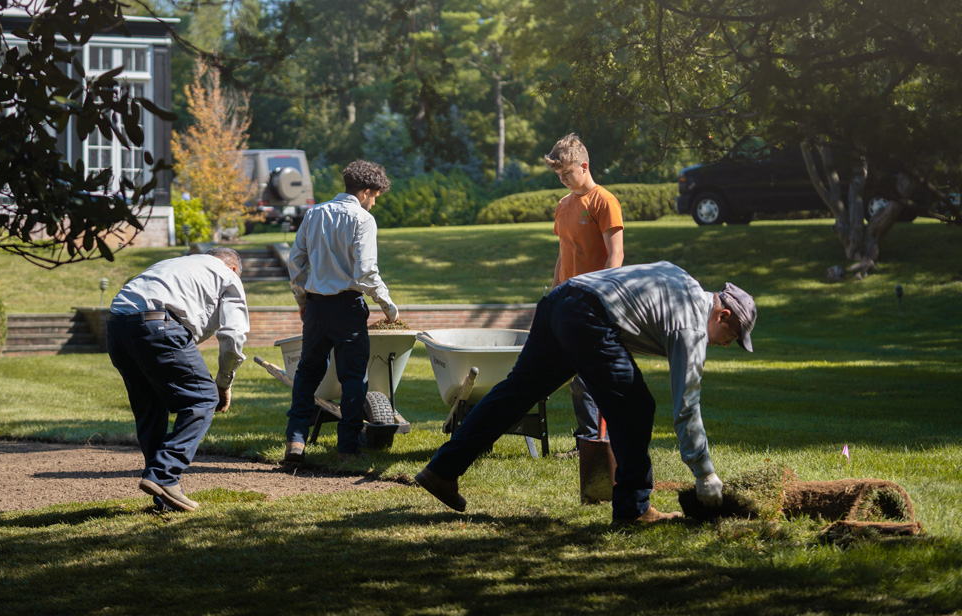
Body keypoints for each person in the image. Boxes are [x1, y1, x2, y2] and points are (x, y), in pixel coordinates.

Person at [415, 261, 757, 524]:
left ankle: (442, 470)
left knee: (517, 393)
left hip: (560, 301)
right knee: (636, 408)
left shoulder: (681, 279)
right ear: (722, 314)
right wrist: (704, 472)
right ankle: (634, 509)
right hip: (589, 317)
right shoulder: (690, 325)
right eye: (732, 336)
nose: (726, 344)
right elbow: (686, 404)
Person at [106, 247, 249, 512]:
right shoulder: (227, 277)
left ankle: (165, 496)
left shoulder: (177, 264)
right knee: (203, 398)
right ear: (233, 269)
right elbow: (234, 336)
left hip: (116, 327)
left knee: (150, 408)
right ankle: (163, 475)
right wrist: (223, 383)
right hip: (158, 325)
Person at [284, 159, 399, 462]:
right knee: (353, 379)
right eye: (374, 197)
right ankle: (348, 445)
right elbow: (365, 272)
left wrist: (302, 301)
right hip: (348, 308)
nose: (373, 204)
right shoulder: (362, 219)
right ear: (364, 192)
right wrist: (388, 307)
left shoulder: (314, 213)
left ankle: (296, 440)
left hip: (316, 307)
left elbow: (295, 263)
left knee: (307, 375)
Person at [545, 133, 625, 456]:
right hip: (567, 302)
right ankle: (588, 438)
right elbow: (564, 254)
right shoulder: (563, 206)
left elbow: (615, 254)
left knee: (589, 374)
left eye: (567, 173)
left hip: (595, 301)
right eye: (559, 175)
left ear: (584, 165)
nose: (564, 180)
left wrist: (602, 297)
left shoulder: (604, 201)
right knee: (576, 373)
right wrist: (552, 295)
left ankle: (593, 442)